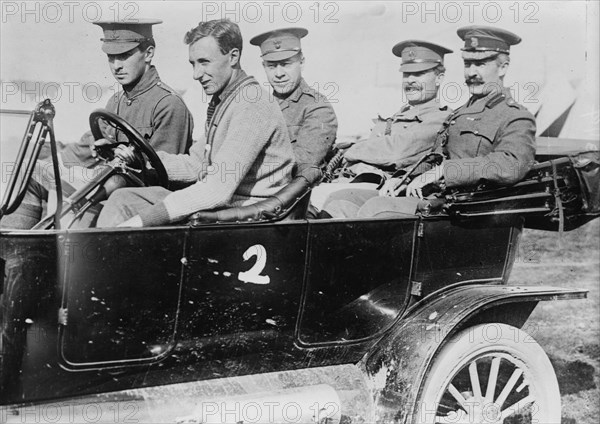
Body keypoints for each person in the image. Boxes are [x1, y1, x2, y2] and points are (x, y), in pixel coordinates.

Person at [96, 19, 294, 228]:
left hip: (247, 220)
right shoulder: (228, 101)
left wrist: (142, 220)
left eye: (204, 62)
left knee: (124, 209)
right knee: (122, 198)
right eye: (193, 63)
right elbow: (197, 164)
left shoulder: (252, 105)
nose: (196, 74)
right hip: (224, 211)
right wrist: (140, 159)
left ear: (233, 56)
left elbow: (216, 190)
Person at [1, 20, 194, 229]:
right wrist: (56, 160)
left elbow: (161, 178)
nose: (117, 66)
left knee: (77, 203)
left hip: (137, 199)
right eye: (111, 57)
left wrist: (127, 159)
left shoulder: (169, 105)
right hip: (107, 184)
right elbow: (83, 149)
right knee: (32, 172)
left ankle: (51, 252)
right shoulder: (116, 102)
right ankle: (15, 250)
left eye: (125, 56)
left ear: (148, 53)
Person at [357, 25, 537, 218]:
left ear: (503, 67)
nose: (471, 73)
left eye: (481, 64)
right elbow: (434, 157)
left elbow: (512, 165)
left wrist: (445, 171)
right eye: (468, 64)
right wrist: (402, 178)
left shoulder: (515, 116)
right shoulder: (459, 114)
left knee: (374, 209)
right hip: (437, 200)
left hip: (469, 210)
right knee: (344, 201)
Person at [316, 40, 453, 217]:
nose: (410, 80)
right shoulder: (399, 115)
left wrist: (350, 150)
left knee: (319, 198)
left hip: (391, 186)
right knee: (328, 201)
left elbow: (396, 151)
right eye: (406, 74)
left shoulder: (440, 119)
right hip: (358, 179)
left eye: (419, 74)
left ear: (439, 78)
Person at [249, 27, 337, 178]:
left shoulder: (318, 108)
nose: (279, 74)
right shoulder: (258, 108)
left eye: (286, 64)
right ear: (264, 67)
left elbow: (300, 163)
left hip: (293, 195)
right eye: (271, 66)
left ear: (301, 62)